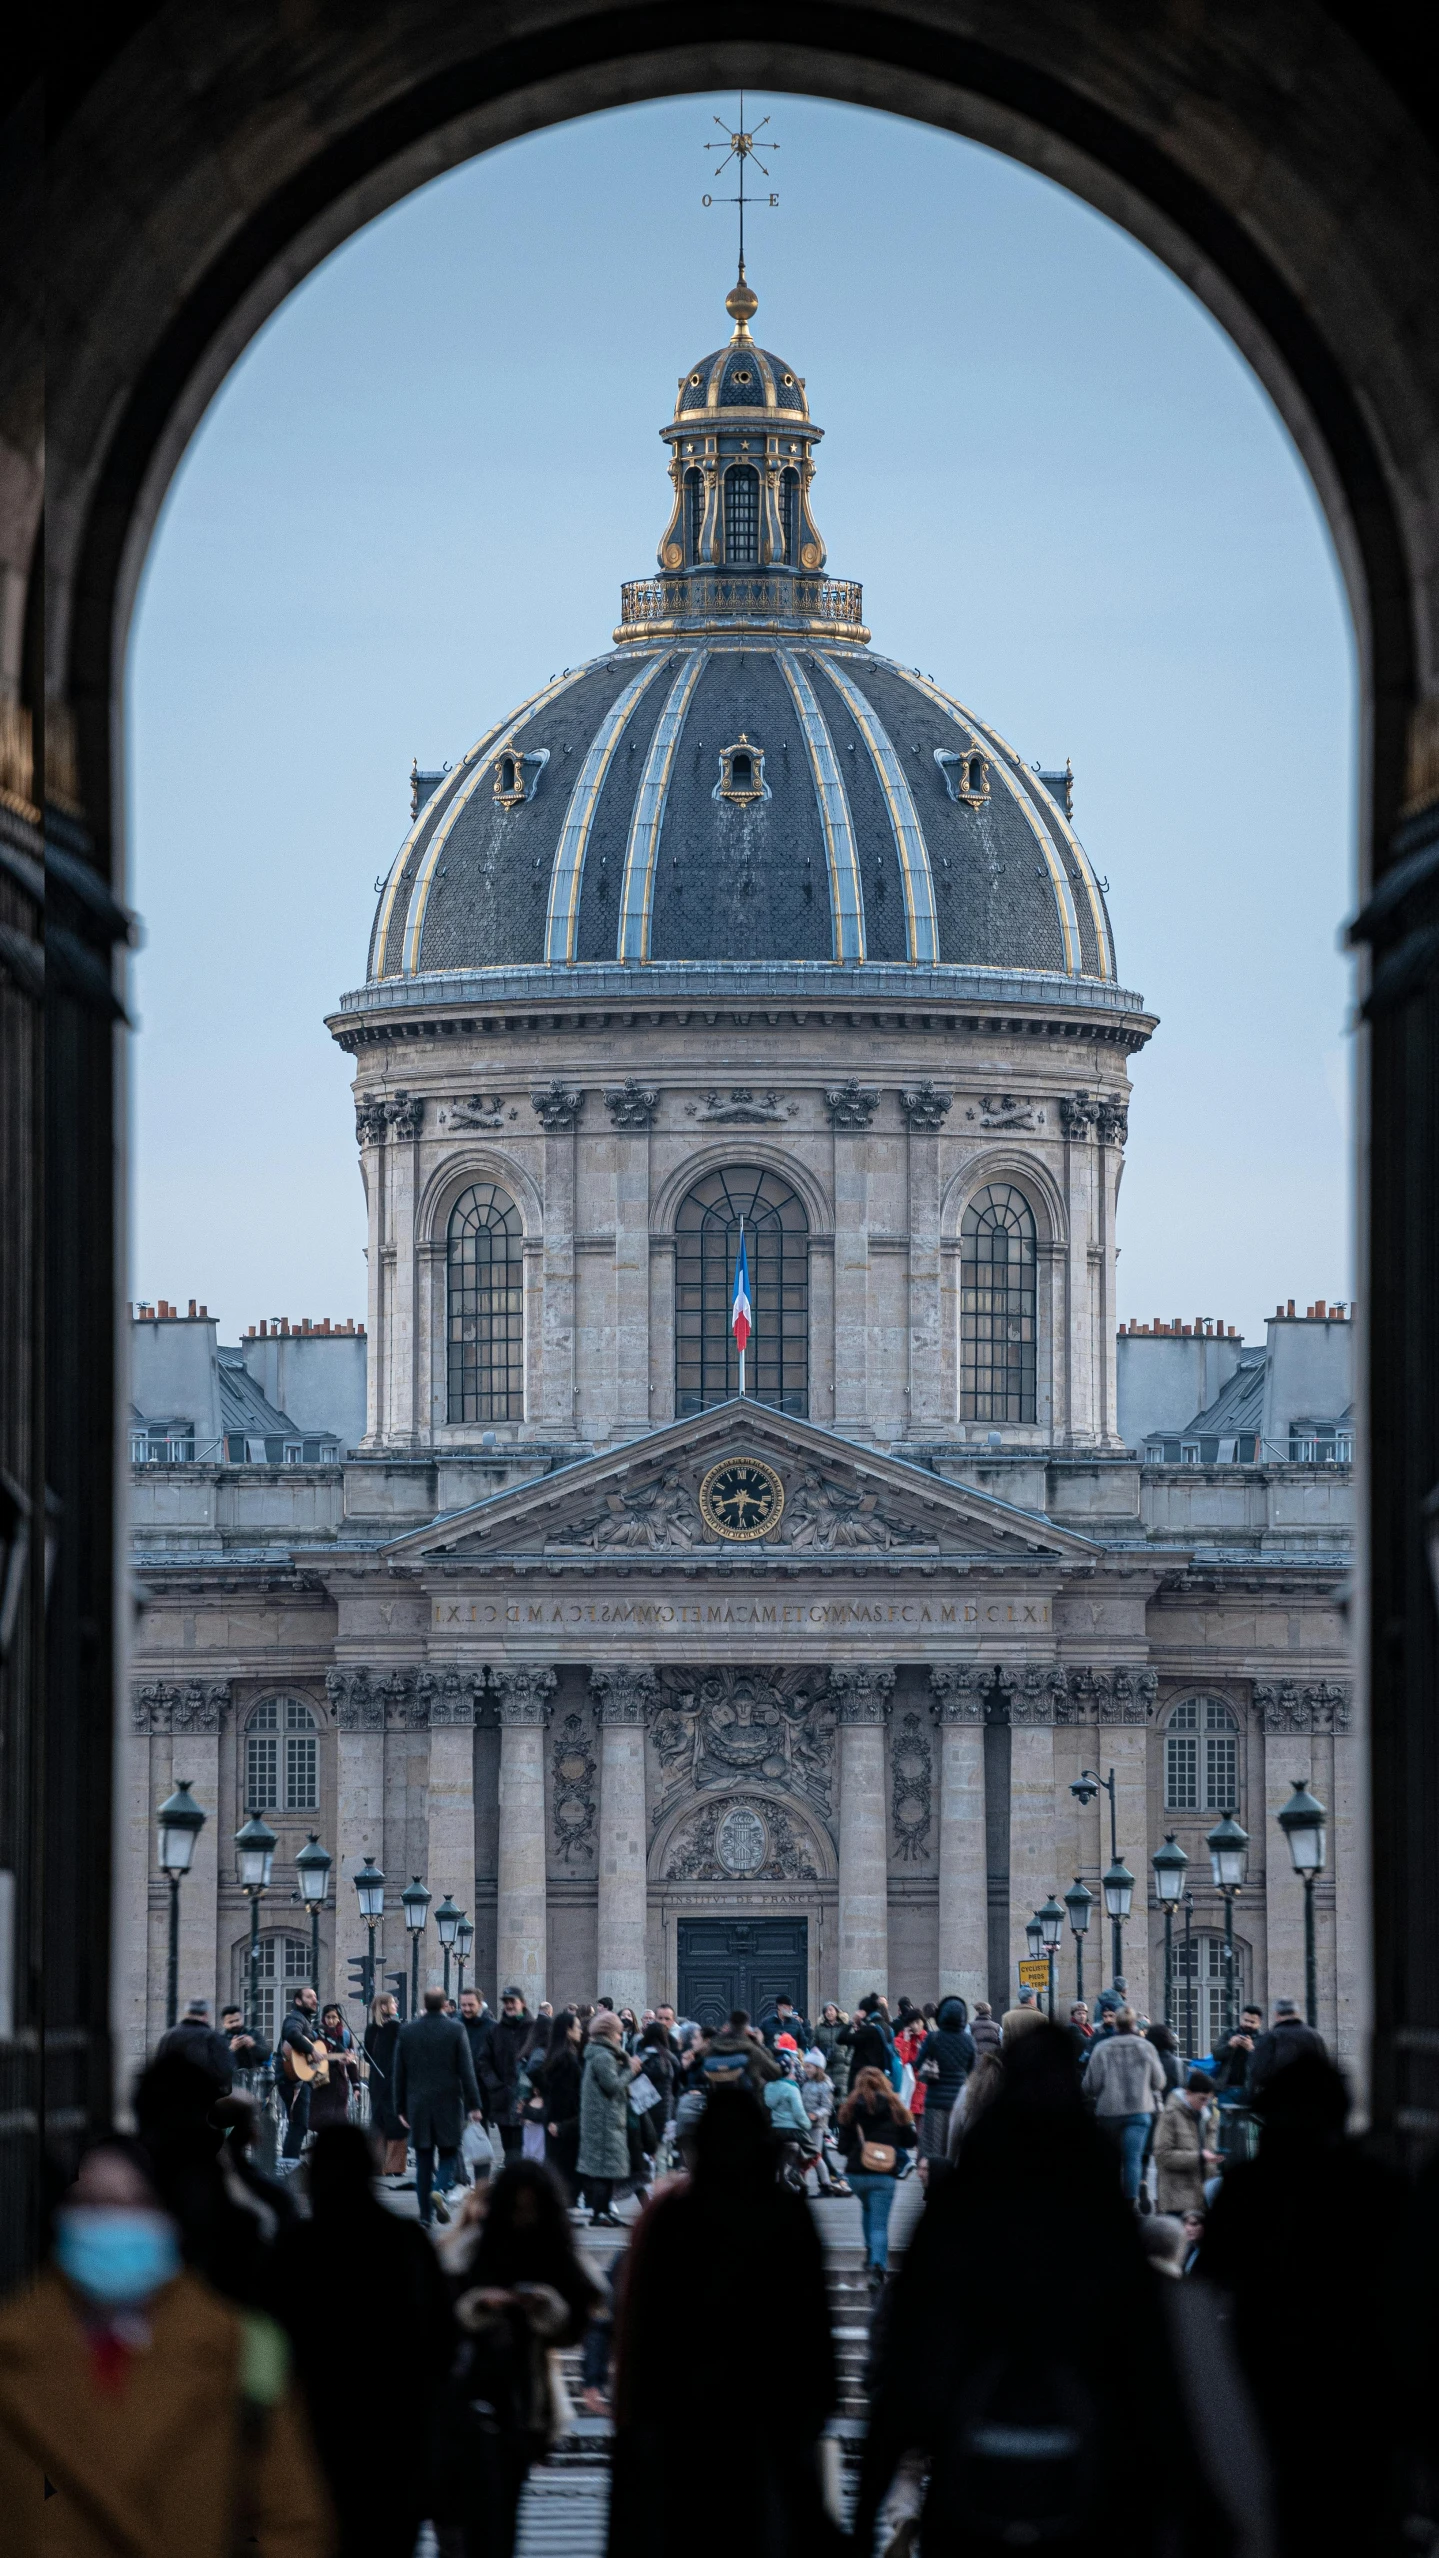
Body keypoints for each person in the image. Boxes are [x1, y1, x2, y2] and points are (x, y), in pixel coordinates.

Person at [858, 2026, 1227, 2558]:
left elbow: (908, 2362)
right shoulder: (1097, 2202)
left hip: (970, 2476)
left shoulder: (964, 2203)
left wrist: (866, 2512)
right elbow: (1149, 2363)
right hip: (1088, 2481)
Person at [0, 2133, 331, 2557]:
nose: (111, 2221)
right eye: (92, 2204)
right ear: (60, 2218)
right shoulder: (12, 2350)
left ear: (168, 2219)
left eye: (132, 2203)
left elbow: (291, 2519)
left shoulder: (242, 2348)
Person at [609, 2088, 840, 2558]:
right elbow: (814, 2335)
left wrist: (632, 2433)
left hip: (680, 2421)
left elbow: (636, 2334)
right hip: (766, 2423)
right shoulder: (786, 2216)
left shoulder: (669, 2216)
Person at [1200, 2052, 1407, 2556]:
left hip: (1266, 2373)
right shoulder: (1374, 2184)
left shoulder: (1248, 2189)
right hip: (1358, 2380)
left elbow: (1209, 2282)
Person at [278, 2125, 453, 2558]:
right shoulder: (408, 2244)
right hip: (395, 2449)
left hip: (312, 2444)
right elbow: (442, 2346)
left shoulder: (296, 2250)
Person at [436, 2159, 601, 2558]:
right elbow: (441, 2315)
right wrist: (479, 2307)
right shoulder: (471, 2252)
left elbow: (580, 2313)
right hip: (467, 2392)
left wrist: (545, 2308)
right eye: (517, 2208)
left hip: (520, 2400)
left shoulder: (551, 2254)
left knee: (500, 2511)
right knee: (475, 2515)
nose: (523, 2218)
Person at [394, 1985, 484, 2228]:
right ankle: (439, 2189)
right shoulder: (455, 2029)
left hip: (418, 2106)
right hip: (449, 2103)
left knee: (423, 2160)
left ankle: (425, 2217)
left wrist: (400, 2107)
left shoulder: (408, 2031)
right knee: (449, 2152)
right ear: (445, 2005)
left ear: (425, 2002)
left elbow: (399, 2073)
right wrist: (475, 2105)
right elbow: (467, 2071)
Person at [836, 2064, 917, 2286]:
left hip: (857, 2174)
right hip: (884, 2174)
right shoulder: (893, 2107)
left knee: (867, 2208)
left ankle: (870, 2252)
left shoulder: (851, 2108)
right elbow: (911, 2141)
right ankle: (878, 2266)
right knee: (879, 2224)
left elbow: (842, 2148)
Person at [1083, 2005, 1167, 2204]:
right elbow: (1159, 2082)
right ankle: (1130, 2202)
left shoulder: (1102, 2048)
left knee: (1111, 2160)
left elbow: (1089, 2086)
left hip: (1109, 2112)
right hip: (1139, 2111)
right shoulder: (1146, 2047)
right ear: (1133, 2024)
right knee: (1133, 2159)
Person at [577, 2009, 639, 2223]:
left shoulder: (599, 2053)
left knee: (605, 2169)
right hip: (605, 2121)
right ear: (610, 2032)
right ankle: (600, 2212)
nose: (620, 2036)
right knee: (605, 2169)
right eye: (618, 2032)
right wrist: (631, 2071)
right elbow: (612, 2086)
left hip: (605, 2119)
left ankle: (601, 2212)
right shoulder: (603, 2056)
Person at [912, 1996, 975, 2158]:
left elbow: (917, 2064)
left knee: (933, 2145)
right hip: (958, 2101)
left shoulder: (933, 2038)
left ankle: (932, 2176)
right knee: (953, 2146)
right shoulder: (969, 2041)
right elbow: (972, 2070)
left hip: (934, 2099)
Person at [1153, 2070, 1220, 2216]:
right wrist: (1199, 2157)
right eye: (1202, 2099)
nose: (1205, 2104)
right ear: (1188, 2093)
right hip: (1177, 2198)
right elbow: (1162, 2156)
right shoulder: (1171, 2115)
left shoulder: (1207, 2117)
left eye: (1208, 2100)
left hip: (1201, 2197)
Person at [482, 1988, 535, 2160]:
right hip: (503, 2100)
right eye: (506, 2002)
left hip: (528, 2101)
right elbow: (483, 2061)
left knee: (524, 2149)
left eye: (513, 2001)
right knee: (509, 2146)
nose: (509, 2005)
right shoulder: (496, 2031)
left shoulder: (534, 2029)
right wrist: (495, 2086)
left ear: (523, 2003)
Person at [276, 1983, 322, 2165]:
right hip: (294, 2081)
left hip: (296, 2079)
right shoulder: (295, 2018)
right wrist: (311, 2047)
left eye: (315, 1996)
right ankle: (288, 2165)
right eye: (309, 1996)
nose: (314, 2000)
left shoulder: (303, 2020)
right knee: (299, 2125)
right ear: (298, 2000)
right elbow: (291, 2034)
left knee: (298, 2125)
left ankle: (288, 2164)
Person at [364, 1990, 408, 2180]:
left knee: (379, 2122)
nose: (396, 2006)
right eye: (392, 2003)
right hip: (393, 2080)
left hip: (377, 2082)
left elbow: (367, 2056)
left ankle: (378, 2164)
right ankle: (394, 2166)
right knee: (396, 2122)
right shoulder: (396, 2028)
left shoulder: (371, 2029)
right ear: (383, 2007)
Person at [1247, 1999, 1326, 2098]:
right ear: (1296, 2013)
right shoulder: (1314, 2036)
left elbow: (1257, 2071)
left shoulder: (1271, 2037)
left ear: (1276, 2015)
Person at [155, 1997, 235, 2085]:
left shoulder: (169, 2036)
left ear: (187, 2013)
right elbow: (225, 2070)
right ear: (206, 2014)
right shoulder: (212, 2037)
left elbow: (158, 2067)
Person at [307, 2003, 360, 2132]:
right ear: (323, 2018)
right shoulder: (316, 2034)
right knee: (322, 2121)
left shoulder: (345, 2036)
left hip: (339, 2085)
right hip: (321, 2083)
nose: (331, 2021)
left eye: (334, 2017)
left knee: (339, 2121)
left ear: (339, 2019)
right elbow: (308, 2057)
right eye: (328, 2017)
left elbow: (352, 2064)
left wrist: (356, 2086)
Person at [848, 1993, 895, 2082]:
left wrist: (852, 2022)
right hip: (883, 2071)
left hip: (871, 2070)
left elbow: (843, 2038)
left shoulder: (872, 2028)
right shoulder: (888, 2028)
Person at [813, 2003, 853, 2096]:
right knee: (826, 2093)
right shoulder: (819, 2028)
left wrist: (847, 2059)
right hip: (825, 2066)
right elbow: (814, 2046)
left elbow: (852, 2045)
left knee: (842, 2094)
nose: (829, 2013)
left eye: (831, 2010)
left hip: (842, 2067)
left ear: (837, 2011)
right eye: (826, 2011)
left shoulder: (844, 2027)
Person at [220, 2003, 271, 2075]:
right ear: (224, 2024)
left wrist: (253, 2045)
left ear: (242, 2019)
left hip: (254, 2078)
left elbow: (267, 2055)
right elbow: (216, 2063)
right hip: (230, 2080)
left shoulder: (254, 2033)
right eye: (230, 2022)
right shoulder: (219, 2039)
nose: (235, 2024)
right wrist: (231, 2049)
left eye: (237, 2020)